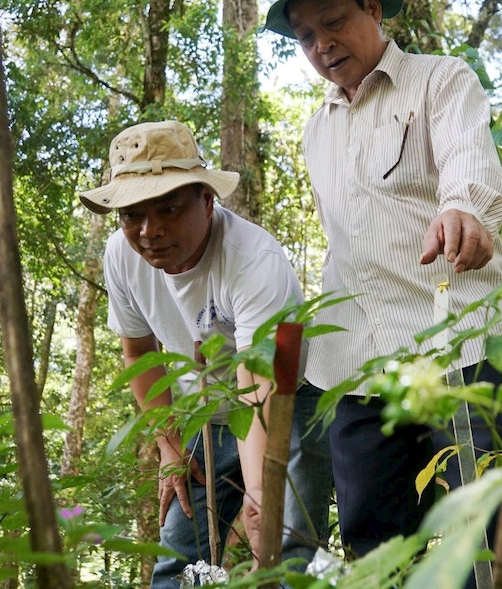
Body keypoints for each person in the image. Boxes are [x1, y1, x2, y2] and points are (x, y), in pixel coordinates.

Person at [263, 0, 502, 586]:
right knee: (378, 549)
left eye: (334, 22)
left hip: (457, 347)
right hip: (358, 370)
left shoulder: (441, 80)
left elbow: (469, 170)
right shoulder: (316, 129)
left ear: (373, 8)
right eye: (305, 36)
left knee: (485, 539)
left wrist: (464, 212)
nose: (322, 45)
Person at [78, 120, 333, 588]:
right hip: (204, 409)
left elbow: (259, 383)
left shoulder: (253, 260)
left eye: (169, 208)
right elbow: (138, 351)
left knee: (284, 545)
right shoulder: (121, 256)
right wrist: (170, 446)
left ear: (207, 200)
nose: (149, 231)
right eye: (131, 215)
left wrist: (259, 494)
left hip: (287, 404)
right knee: (179, 553)